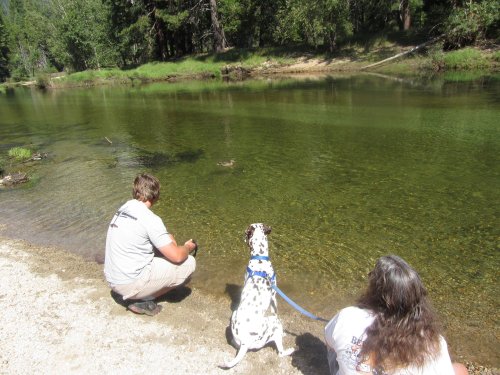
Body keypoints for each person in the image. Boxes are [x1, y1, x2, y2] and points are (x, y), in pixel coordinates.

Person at [325, 255, 468, 375]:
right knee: (460, 369)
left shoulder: (347, 317)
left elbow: (329, 341)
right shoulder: (433, 342)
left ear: (374, 290)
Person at [104, 173, 197, 316]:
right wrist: (188, 247)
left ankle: (139, 292)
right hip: (129, 284)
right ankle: (143, 299)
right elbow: (177, 256)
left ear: (135, 190)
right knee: (188, 262)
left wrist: (167, 239)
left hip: (112, 279)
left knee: (159, 248)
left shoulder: (124, 208)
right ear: (156, 195)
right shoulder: (150, 219)